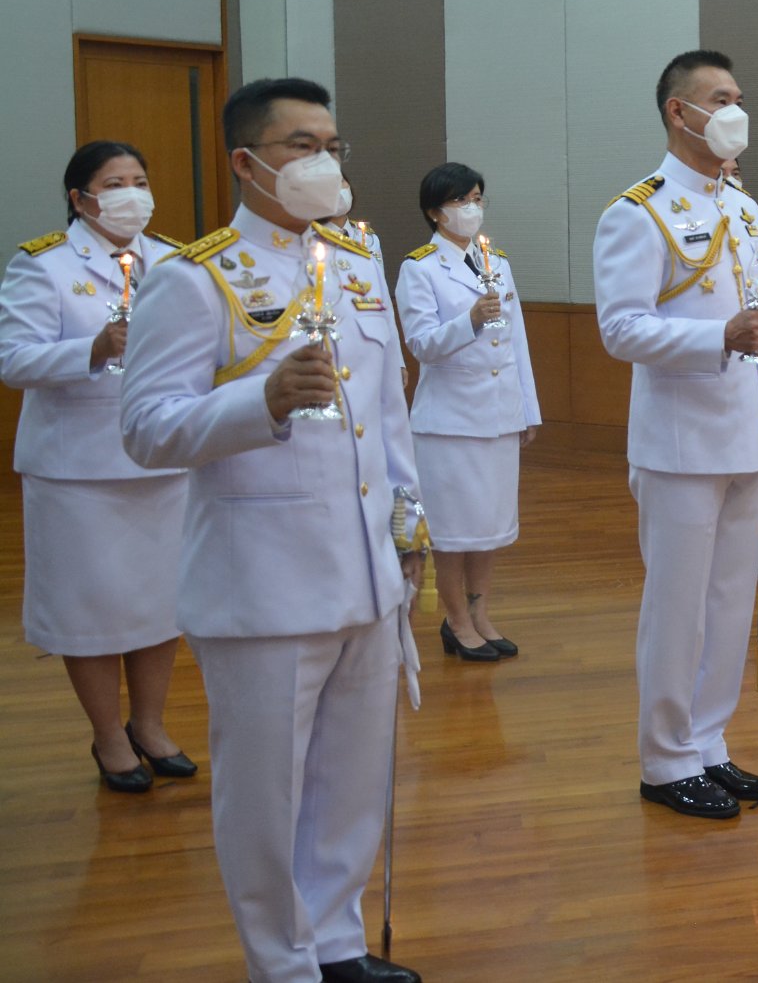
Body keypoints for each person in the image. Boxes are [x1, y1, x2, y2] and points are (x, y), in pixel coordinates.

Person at [120, 77, 427, 983]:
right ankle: (281, 963)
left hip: (366, 569)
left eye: (331, 144)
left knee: (351, 778)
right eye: (301, 145)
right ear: (246, 162)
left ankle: (335, 942)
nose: (323, 160)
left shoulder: (358, 262)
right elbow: (145, 429)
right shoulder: (194, 278)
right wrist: (260, 403)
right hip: (265, 580)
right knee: (266, 794)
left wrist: (409, 520)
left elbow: (389, 413)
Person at [593, 49, 758, 822]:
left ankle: (707, 740)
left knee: (731, 599)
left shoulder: (742, 206)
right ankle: (664, 757)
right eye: (720, 97)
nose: (735, 110)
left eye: (739, 96)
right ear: (680, 112)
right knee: (677, 606)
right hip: (680, 442)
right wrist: (718, 338)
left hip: (744, 432)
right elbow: (620, 328)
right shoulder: (637, 211)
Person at [0, 142, 195, 792]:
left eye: (140, 180)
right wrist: (91, 348)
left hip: (160, 459)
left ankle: (150, 725)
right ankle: (109, 735)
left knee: (160, 603)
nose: (131, 194)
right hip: (78, 470)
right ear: (80, 198)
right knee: (90, 610)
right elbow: (13, 359)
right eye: (114, 183)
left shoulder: (172, 259)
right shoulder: (44, 264)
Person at [396, 163, 540, 663]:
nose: (472, 208)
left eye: (477, 198)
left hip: (498, 416)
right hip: (450, 422)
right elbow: (421, 344)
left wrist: (528, 409)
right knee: (454, 530)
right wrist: (470, 321)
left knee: (488, 527)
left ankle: (480, 614)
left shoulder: (496, 261)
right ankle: (456, 619)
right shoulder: (419, 268)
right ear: (435, 212)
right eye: (461, 200)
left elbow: (518, 342)